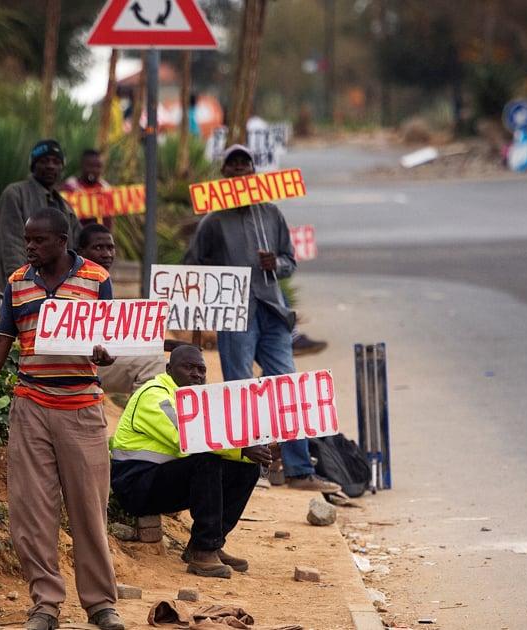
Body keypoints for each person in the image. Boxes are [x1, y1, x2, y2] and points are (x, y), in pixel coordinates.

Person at [0, 209, 125, 630]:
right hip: (30, 406)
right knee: (32, 512)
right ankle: (45, 604)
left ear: (62, 240)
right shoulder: (17, 283)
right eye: (27, 240)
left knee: (88, 510)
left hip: (82, 409)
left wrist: (105, 352)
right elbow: (0, 340)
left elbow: (112, 341)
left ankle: (101, 604)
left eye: (38, 240)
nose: (29, 247)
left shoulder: (96, 279)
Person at [185, 145, 340, 495]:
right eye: (233, 165)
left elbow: (290, 259)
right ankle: (249, 470)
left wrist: (278, 264)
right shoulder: (213, 220)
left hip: (272, 309)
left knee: (287, 385)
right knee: (241, 388)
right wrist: (219, 282)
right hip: (236, 314)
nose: (240, 170)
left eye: (245, 164)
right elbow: (194, 264)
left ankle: (299, 469)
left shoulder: (271, 213)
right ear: (224, 173)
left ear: (253, 171)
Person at [109, 345, 274, 579]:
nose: (196, 374)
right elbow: (190, 438)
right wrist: (244, 448)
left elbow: (220, 433)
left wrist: (253, 451)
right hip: (137, 486)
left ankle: (207, 544)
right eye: (188, 368)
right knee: (206, 460)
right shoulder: (154, 395)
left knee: (246, 467)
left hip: (164, 481)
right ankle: (203, 551)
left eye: (201, 369)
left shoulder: (195, 401)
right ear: (169, 369)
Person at [78, 223, 186, 394]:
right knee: (154, 364)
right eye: (98, 248)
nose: (107, 254)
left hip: (99, 358)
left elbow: (110, 335)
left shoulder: (101, 280)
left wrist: (160, 344)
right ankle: (141, 416)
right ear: (81, 252)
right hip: (78, 363)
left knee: (174, 365)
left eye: (110, 248)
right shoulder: (78, 282)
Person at [0, 139, 79, 312]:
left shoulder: (65, 207)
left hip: (60, 300)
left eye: (56, 162)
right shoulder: (15, 194)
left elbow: (76, 248)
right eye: (44, 161)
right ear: (33, 165)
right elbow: (12, 245)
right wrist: (21, 288)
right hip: (22, 297)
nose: (50, 166)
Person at [61, 148, 112, 228]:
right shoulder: (70, 186)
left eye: (98, 166)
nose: (94, 170)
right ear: (82, 165)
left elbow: (109, 219)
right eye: (90, 166)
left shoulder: (105, 187)